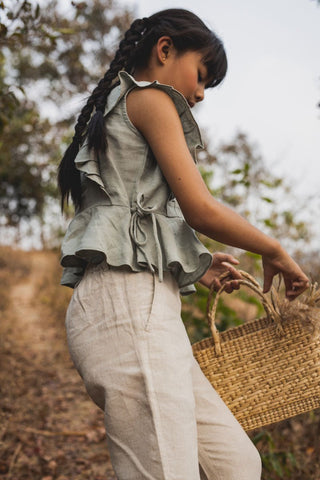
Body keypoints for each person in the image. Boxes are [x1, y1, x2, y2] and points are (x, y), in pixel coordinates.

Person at [58, 9, 309, 480]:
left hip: (145, 311)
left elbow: (132, 219)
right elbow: (200, 208)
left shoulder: (121, 107)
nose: (198, 93)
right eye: (201, 75)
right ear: (165, 49)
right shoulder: (150, 99)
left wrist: (197, 262)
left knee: (236, 464)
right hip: (128, 312)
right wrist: (272, 249)